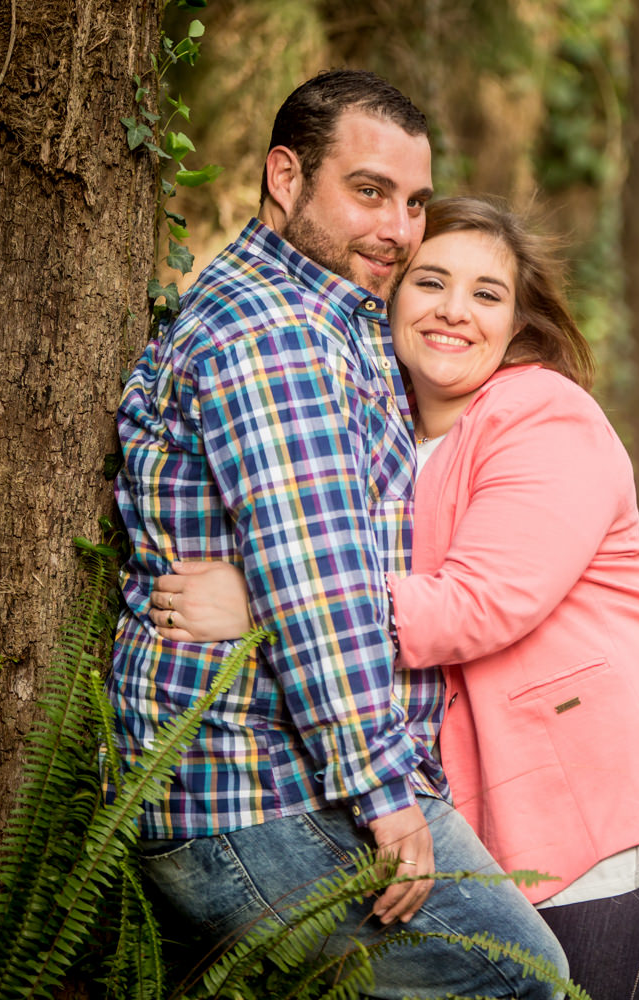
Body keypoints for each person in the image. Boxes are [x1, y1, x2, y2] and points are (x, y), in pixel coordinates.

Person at [151, 197, 639, 999]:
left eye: (486, 294)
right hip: (502, 830)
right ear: (390, 297)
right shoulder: (378, 430)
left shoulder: (545, 416)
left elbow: (480, 600)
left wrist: (264, 605)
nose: (453, 312)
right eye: (429, 281)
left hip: (622, 814)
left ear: (518, 321)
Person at [108, 72, 567, 999]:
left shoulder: (331, 320)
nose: (398, 231)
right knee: (518, 979)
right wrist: (386, 799)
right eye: (368, 192)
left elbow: (330, 561)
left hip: (289, 772)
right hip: (258, 790)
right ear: (286, 177)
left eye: (414, 203)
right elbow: (317, 590)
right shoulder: (272, 337)